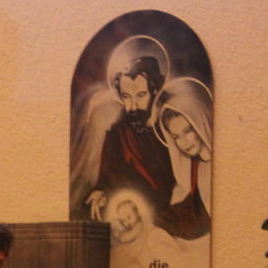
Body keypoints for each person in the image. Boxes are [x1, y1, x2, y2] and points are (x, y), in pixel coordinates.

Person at [84, 54, 175, 226]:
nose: (132, 106)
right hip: (135, 215)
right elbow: (108, 176)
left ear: (155, 91)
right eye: (126, 96)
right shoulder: (118, 133)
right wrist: (102, 191)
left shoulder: (173, 125)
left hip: (172, 213)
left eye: (141, 95)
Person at [154, 77, 213, 240]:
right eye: (176, 137)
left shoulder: (220, 165)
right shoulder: (194, 165)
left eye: (187, 131)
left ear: (199, 124)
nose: (183, 142)